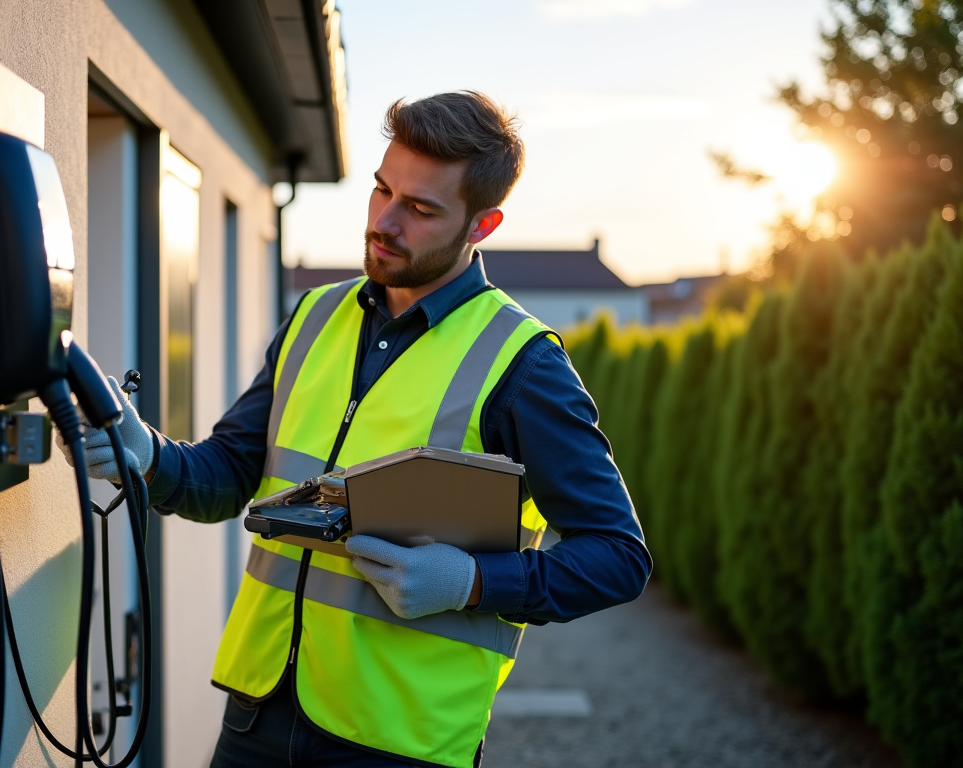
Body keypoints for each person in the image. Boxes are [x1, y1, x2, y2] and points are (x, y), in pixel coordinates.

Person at [64, 91, 651, 768]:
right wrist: (148, 457)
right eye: (381, 191)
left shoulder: (522, 364)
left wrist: (472, 582)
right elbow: (228, 478)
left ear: (482, 225)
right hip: (258, 713)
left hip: (398, 744)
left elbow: (618, 557)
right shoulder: (313, 318)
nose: (385, 222)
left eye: (421, 209)